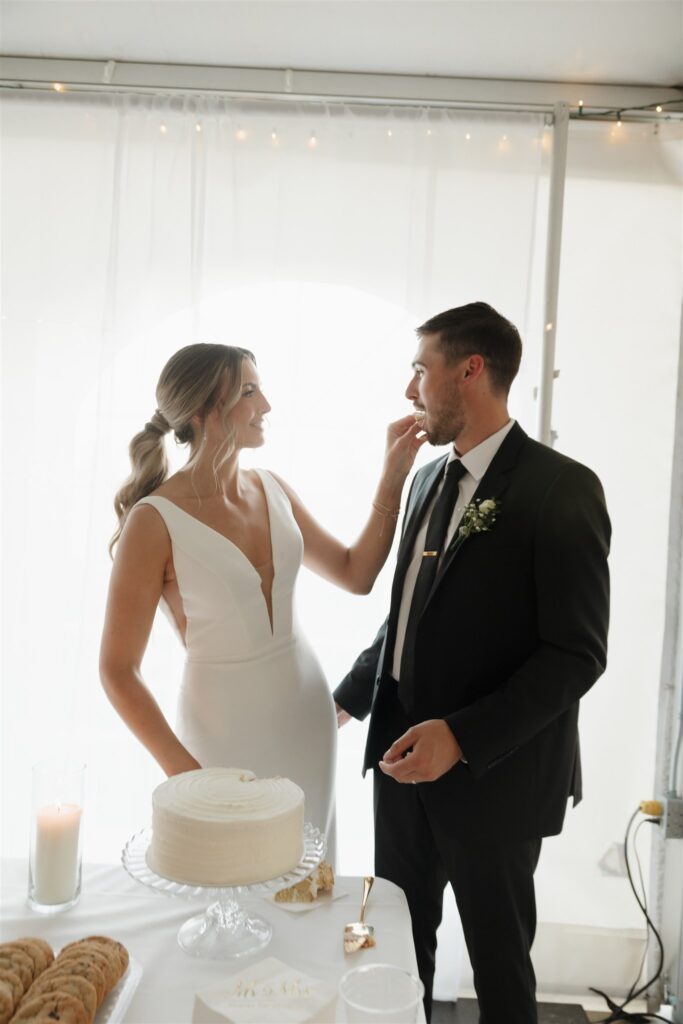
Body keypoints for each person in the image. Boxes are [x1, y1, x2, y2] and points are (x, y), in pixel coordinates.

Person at [334, 302, 611, 1022]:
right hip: (398, 768)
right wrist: (350, 693)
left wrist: (460, 737)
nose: (409, 391)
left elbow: (575, 654)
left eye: (419, 371)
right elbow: (408, 614)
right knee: (397, 951)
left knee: (498, 968)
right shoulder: (426, 481)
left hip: (497, 775)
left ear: (469, 369)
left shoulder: (560, 487)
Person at [100, 343, 426, 863]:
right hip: (220, 732)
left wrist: (393, 476)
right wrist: (188, 777)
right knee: (228, 887)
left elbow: (355, 573)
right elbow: (118, 671)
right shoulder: (153, 520)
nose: (267, 405)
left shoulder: (273, 488)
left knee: (305, 882)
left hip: (307, 718)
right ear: (206, 410)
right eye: (250, 391)